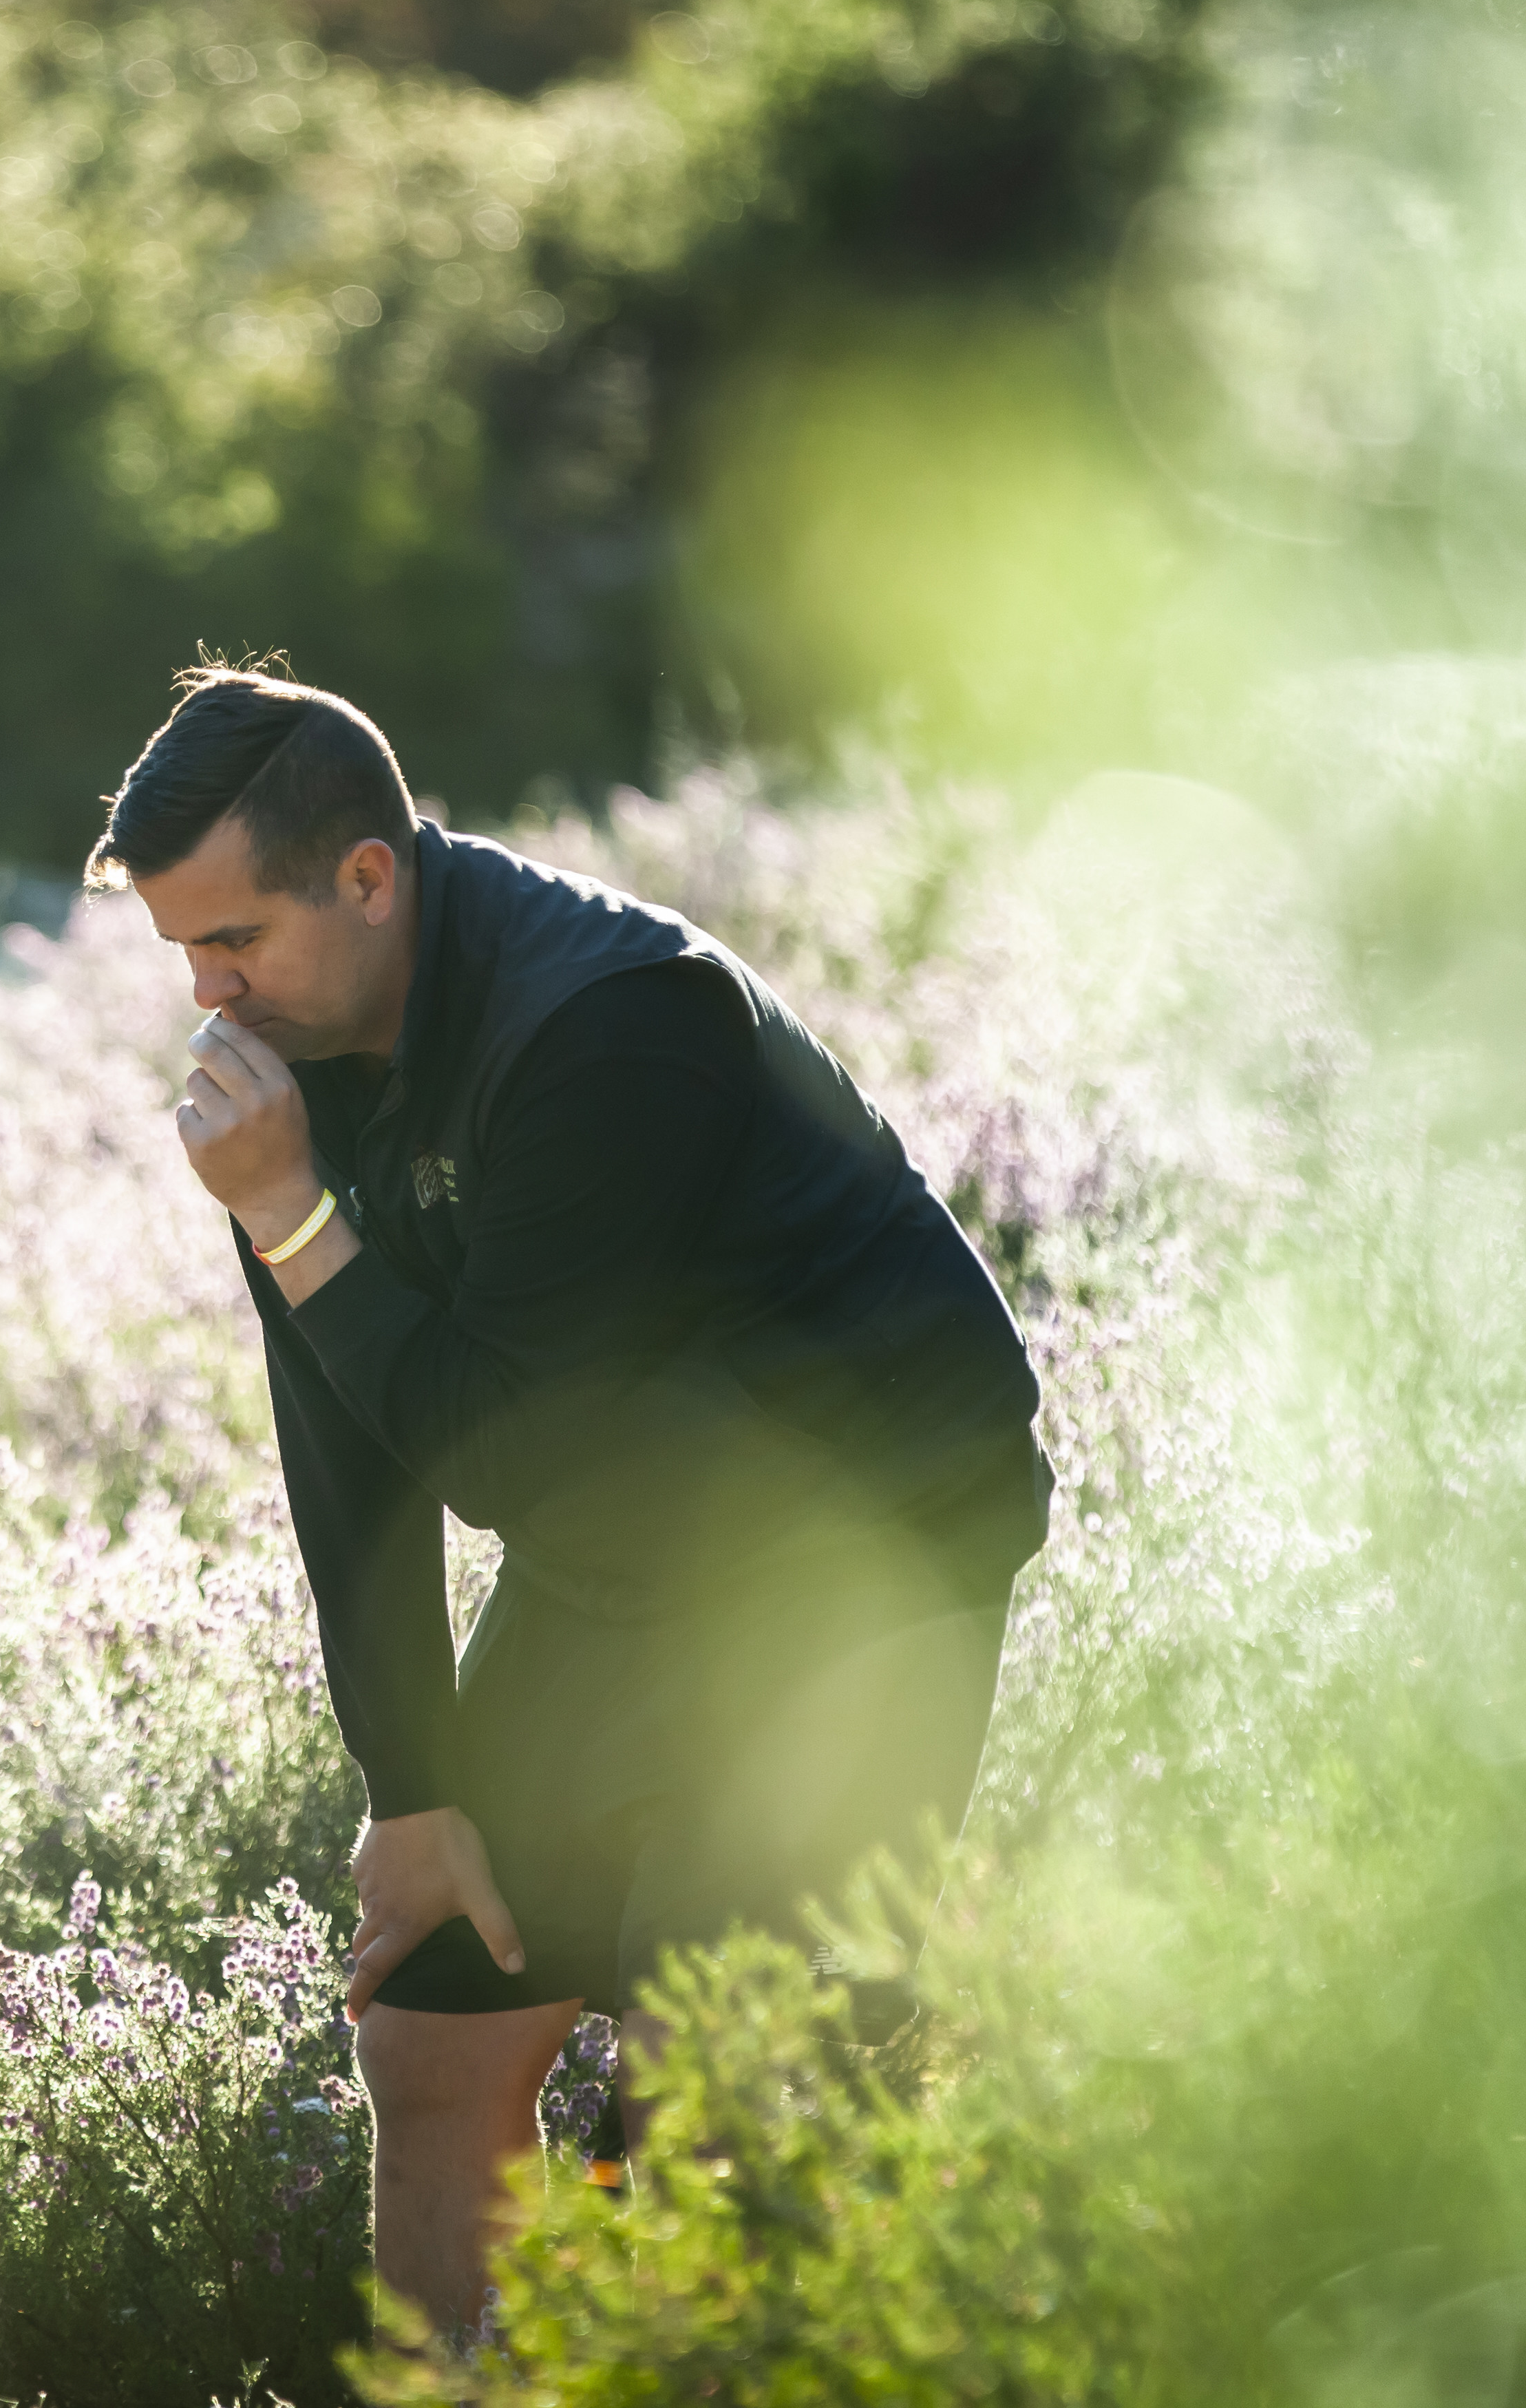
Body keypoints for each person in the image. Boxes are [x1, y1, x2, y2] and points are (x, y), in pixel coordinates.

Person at [89, 671, 1050, 2341]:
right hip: (638, 1547)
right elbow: (352, 1444)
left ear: (370, 877)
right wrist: (416, 1784)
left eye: (233, 938)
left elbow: (507, 1452)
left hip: (870, 1550)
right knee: (432, 2027)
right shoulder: (301, 1052)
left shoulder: (614, 1022)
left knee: (712, 2057)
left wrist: (298, 1219)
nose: (209, 994)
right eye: (184, 952)